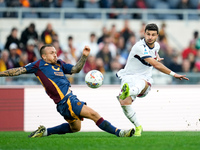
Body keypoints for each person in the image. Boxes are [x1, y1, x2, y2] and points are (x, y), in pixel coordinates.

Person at [0, 44, 134, 138]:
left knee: (75, 128)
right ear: (44, 56)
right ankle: (120, 132)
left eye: (55, 52)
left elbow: (75, 69)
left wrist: (84, 56)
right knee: (94, 115)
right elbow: (18, 70)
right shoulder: (38, 65)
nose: (55, 54)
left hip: (66, 102)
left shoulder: (59, 63)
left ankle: (45, 131)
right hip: (66, 101)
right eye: (52, 53)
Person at [116, 23, 189, 137]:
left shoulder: (157, 46)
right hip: (128, 76)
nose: (150, 37)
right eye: (148, 34)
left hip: (144, 78)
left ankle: (129, 91)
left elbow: (154, 58)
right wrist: (174, 74)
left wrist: (156, 57)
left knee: (141, 83)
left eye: (153, 35)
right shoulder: (139, 46)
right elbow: (156, 64)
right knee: (124, 102)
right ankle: (138, 127)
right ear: (144, 34)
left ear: (157, 36)